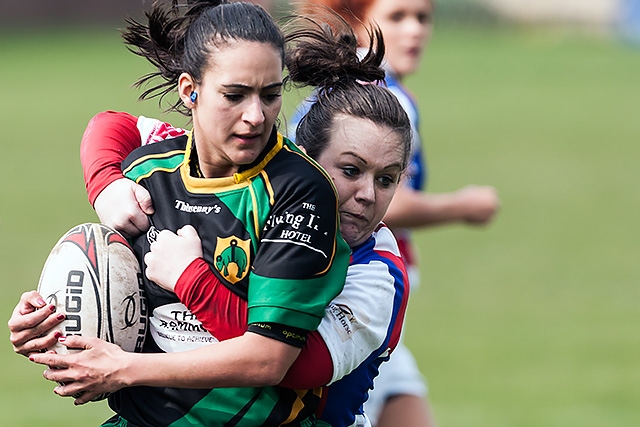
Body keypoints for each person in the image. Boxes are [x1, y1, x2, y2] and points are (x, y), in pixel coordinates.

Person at [9, 4, 415, 427]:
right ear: (191, 92)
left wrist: (186, 282)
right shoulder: (168, 164)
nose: (365, 194)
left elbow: (280, 361)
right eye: (349, 170)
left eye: (387, 179)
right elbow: (112, 126)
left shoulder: (355, 250)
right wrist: (56, 320)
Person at [291, 0, 500, 426]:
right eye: (397, 17)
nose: (414, 31)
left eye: (423, 17)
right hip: (349, 304)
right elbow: (391, 204)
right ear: (357, 21)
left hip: (367, 308)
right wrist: (463, 205)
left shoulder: (343, 95)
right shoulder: (380, 106)